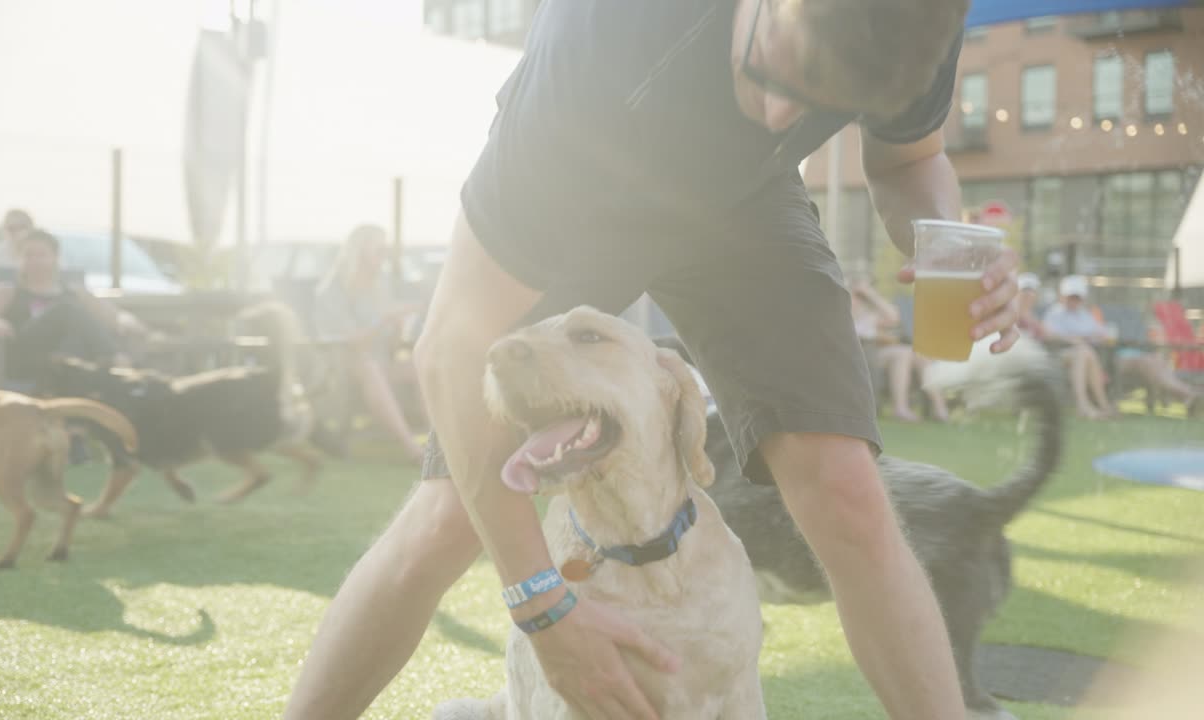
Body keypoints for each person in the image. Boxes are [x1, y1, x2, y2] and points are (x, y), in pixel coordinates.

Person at [284, 1, 1021, 719]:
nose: (772, 115)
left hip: (746, 201)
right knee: (449, 516)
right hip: (593, 179)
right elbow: (449, 346)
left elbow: (909, 160)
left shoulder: (910, 27)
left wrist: (941, 240)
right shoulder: (607, 37)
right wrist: (540, 601)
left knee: (849, 493)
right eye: (772, 74)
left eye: (815, 107)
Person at [0, 229, 150, 392]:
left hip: (67, 365)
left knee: (72, 309)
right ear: (19, 260)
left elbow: (114, 316)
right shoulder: (7, 291)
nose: (34, 260)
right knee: (67, 309)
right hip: (26, 358)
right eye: (28, 255)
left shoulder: (75, 292)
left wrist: (126, 320)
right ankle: (119, 362)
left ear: (55, 258)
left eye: (41, 254)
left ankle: (118, 371)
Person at [312, 224, 425, 462]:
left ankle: (439, 443)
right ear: (360, 251)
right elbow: (353, 341)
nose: (384, 256)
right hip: (344, 368)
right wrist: (384, 318)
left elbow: (392, 348)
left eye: (386, 251)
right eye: (379, 250)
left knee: (421, 363)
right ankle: (412, 448)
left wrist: (398, 328)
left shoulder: (379, 286)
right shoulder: (332, 290)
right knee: (369, 367)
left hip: (380, 363)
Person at [850, 277, 949, 422]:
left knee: (919, 354)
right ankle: (900, 408)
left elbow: (894, 317)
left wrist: (870, 294)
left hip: (877, 353)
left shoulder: (869, 312)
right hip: (861, 354)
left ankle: (940, 408)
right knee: (902, 353)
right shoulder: (846, 309)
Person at [1022, 273, 1117, 420]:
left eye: (1077, 297)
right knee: (1083, 352)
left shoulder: (1085, 315)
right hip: (1055, 355)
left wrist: (1086, 339)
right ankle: (1089, 405)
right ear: (1063, 296)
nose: (1074, 301)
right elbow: (1048, 335)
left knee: (1085, 353)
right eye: (1071, 297)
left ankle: (1098, 405)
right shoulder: (1054, 314)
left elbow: (1102, 333)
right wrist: (1073, 340)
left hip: (1080, 355)